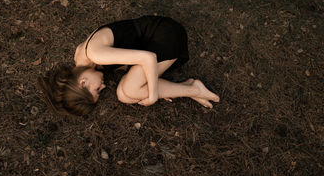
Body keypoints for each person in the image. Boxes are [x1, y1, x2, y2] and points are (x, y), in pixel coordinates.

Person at [37, 16, 220, 116]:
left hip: (167, 37)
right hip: (152, 45)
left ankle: (194, 89)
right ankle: (188, 88)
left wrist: (154, 93)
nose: (103, 86)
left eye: (97, 90)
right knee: (124, 95)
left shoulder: (95, 54)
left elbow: (148, 58)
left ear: (82, 82)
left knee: (131, 89)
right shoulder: (82, 60)